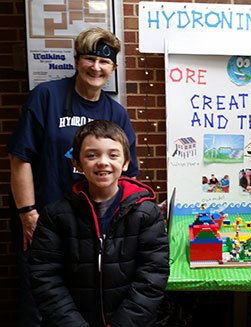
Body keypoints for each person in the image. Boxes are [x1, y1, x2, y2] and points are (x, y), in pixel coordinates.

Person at [6, 27, 139, 326]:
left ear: (113, 68)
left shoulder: (115, 113)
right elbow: (19, 157)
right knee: (39, 305)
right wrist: (28, 214)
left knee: (82, 307)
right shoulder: (46, 97)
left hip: (90, 228)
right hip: (43, 223)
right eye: (90, 59)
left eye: (104, 62)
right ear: (77, 61)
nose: (96, 67)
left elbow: (128, 173)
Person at [29, 120, 169, 326]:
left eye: (113, 155)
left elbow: (153, 274)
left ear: (126, 162)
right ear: (76, 162)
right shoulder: (55, 216)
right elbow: (45, 277)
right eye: (92, 155)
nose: (103, 162)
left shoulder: (146, 213)